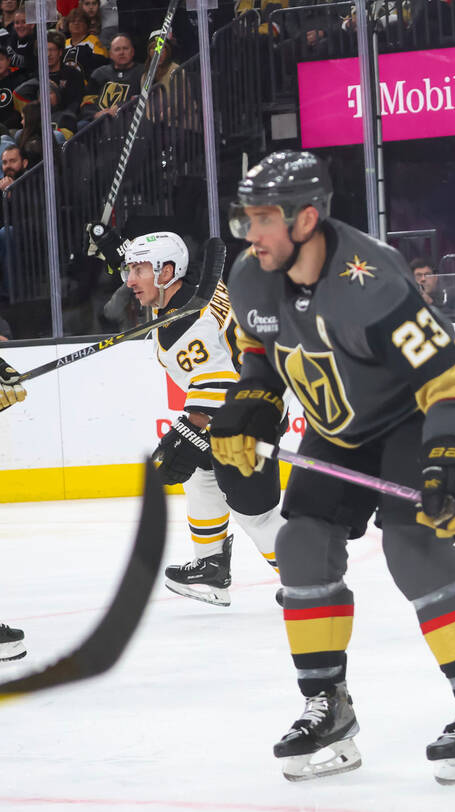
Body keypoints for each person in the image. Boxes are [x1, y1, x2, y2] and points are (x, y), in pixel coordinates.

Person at [212, 150, 455, 784]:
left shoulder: (369, 280)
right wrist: (251, 405)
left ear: (307, 219)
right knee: (300, 543)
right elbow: (260, 355)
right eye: (246, 218)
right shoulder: (248, 276)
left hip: (411, 420)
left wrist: (450, 456)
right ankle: (328, 707)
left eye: (264, 219)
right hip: (337, 430)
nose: (251, 233)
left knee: (411, 543)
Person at [101, 230, 286, 606]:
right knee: (201, 477)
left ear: (168, 271)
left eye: (139, 270)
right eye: (129, 270)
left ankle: (308, 580)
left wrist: (186, 430)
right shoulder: (197, 288)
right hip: (249, 401)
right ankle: (212, 568)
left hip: (247, 418)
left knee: (255, 514)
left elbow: (217, 386)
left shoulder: (183, 326)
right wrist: (113, 246)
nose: (130, 281)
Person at [81, 33, 143, 121]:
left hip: (129, 121)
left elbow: (144, 99)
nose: (121, 53)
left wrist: (120, 107)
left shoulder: (143, 72)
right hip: (99, 124)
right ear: (110, 54)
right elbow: (86, 102)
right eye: (117, 49)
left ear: (132, 52)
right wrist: (95, 114)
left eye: (125, 48)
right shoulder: (99, 73)